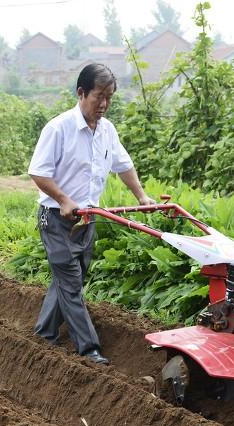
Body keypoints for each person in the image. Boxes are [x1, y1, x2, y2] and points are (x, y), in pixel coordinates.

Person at [28, 62, 153, 365]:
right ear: (81, 93)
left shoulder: (107, 131)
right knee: (70, 282)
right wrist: (63, 199)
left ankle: (44, 332)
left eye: (109, 97)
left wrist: (142, 196)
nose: (105, 104)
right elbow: (38, 172)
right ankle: (90, 349)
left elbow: (123, 165)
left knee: (71, 278)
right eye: (99, 96)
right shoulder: (59, 128)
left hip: (88, 218)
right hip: (57, 218)